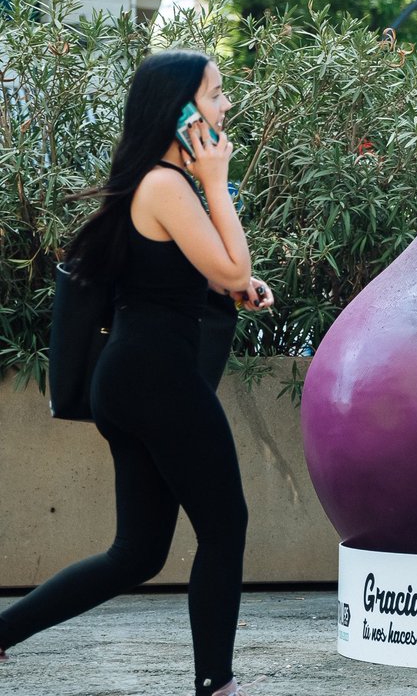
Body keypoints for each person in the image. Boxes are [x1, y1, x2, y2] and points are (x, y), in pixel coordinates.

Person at [0, 50, 274, 696]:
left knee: (139, 553)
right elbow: (229, 269)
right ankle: (217, 683)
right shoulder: (166, 186)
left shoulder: (160, 186)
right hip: (156, 380)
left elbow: (213, 276)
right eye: (215, 95)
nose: (226, 105)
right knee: (225, 527)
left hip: (135, 377)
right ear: (180, 111)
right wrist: (216, 180)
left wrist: (241, 286)